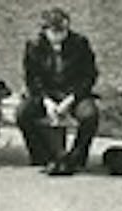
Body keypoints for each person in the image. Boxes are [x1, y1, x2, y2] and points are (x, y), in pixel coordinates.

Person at [16, 8, 101, 176]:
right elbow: (32, 78)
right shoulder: (34, 46)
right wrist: (46, 100)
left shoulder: (80, 44)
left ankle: (77, 157)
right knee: (22, 113)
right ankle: (41, 155)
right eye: (53, 32)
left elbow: (89, 75)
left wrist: (71, 99)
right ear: (45, 31)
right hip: (46, 93)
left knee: (90, 115)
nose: (58, 36)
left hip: (74, 94)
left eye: (62, 31)